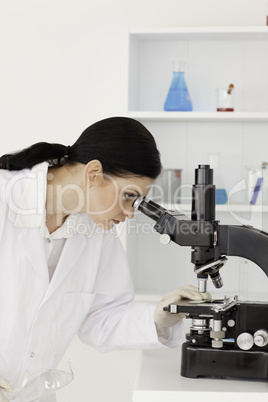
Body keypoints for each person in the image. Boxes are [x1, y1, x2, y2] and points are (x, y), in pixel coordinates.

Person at [0, 117, 210, 402]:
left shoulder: (96, 232)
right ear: (93, 173)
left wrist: (160, 316)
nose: (131, 212)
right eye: (129, 196)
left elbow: (101, 319)